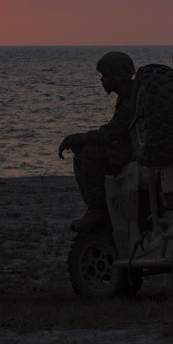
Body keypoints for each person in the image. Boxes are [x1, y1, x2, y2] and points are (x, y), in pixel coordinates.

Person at [58, 51, 136, 232]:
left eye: (105, 76)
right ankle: (96, 208)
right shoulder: (126, 95)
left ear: (117, 76)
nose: (102, 80)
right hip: (130, 149)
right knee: (81, 156)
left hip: (136, 154)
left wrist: (73, 139)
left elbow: (108, 133)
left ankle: (98, 211)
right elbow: (114, 132)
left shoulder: (132, 99)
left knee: (90, 153)